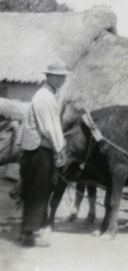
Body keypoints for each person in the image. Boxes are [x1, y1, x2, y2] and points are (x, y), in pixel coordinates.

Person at [19, 59, 70, 247]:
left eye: (64, 77)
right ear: (50, 77)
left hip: (36, 150)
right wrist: (60, 149)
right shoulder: (45, 98)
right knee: (38, 193)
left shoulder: (46, 95)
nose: (63, 80)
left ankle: (28, 232)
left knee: (35, 191)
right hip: (39, 152)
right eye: (60, 77)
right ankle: (28, 235)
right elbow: (51, 127)